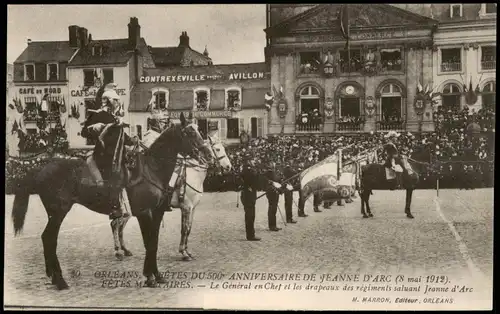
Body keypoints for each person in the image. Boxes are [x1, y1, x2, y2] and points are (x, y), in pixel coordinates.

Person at [81, 89, 137, 220]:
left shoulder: (114, 117)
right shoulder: (97, 115)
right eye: (115, 101)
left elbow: (120, 135)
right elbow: (84, 132)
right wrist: (94, 128)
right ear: (109, 101)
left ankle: (127, 202)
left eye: (117, 101)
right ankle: (113, 207)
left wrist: (132, 140)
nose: (117, 103)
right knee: (113, 174)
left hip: (118, 154)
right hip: (104, 153)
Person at [240, 154, 261, 241]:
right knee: (250, 216)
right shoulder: (247, 169)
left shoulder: (248, 169)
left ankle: (251, 234)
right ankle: (250, 235)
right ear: (248, 161)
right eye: (252, 160)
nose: (254, 161)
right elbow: (252, 179)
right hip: (248, 195)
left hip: (249, 194)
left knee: (251, 215)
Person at [265, 162, 284, 231]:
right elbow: (274, 180)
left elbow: (278, 181)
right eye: (272, 164)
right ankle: (272, 226)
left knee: (274, 209)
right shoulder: (269, 173)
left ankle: (273, 225)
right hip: (271, 192)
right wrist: (279, 177)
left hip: (275, 192)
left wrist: (281, 178)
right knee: (272, 209)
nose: (273, 166)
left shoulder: (275, 172)